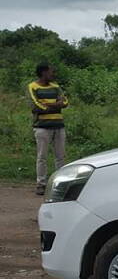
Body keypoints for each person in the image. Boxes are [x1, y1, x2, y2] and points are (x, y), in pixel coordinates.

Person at [27, 63, 69, 195]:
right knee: (42, 157)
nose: (53, 74)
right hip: (42, 127)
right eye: (51, 72)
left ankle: (60, 184)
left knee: (60, 157)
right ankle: (41, 184)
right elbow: (36, 106)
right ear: (44, 73)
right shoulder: (32, 87)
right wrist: (57, 105)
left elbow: (66, 102)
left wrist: (49, 104)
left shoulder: (56, 86)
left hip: (58, 126)